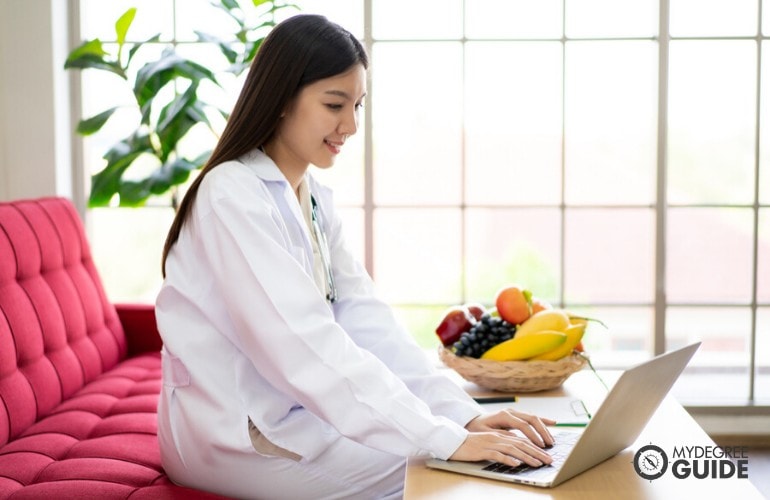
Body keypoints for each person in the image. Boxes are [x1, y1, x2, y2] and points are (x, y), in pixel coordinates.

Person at [156, 14, 555, 499]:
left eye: (358, 105)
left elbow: (367, 321)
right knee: (448, 475)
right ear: (282, 99)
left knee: (471, 461)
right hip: (238, 437)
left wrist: (460, 414)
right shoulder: (230, 195)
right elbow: (303, 345)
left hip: (300, 419)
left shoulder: (314, 196)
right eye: (334, 104)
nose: (351, 125)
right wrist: (445, 440)